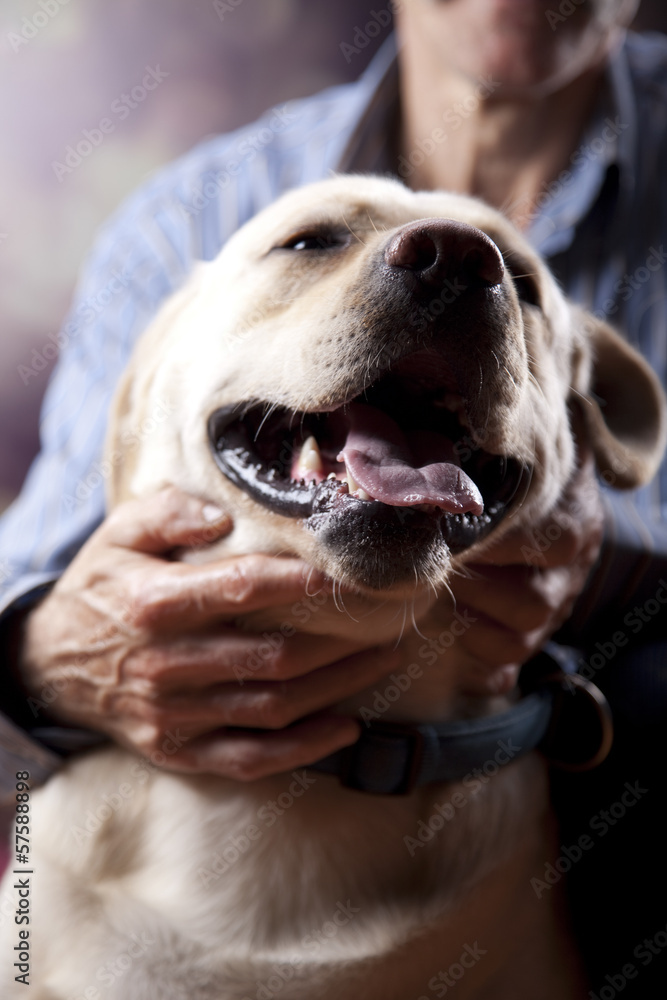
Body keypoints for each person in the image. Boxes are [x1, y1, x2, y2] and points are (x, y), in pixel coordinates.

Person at [1, 0, 666, 987]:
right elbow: (38, 578)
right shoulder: (191, 214)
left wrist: (608, 563)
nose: (444, 265)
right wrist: (44, 657)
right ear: (150, 387)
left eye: (515, 288)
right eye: (313, 245)